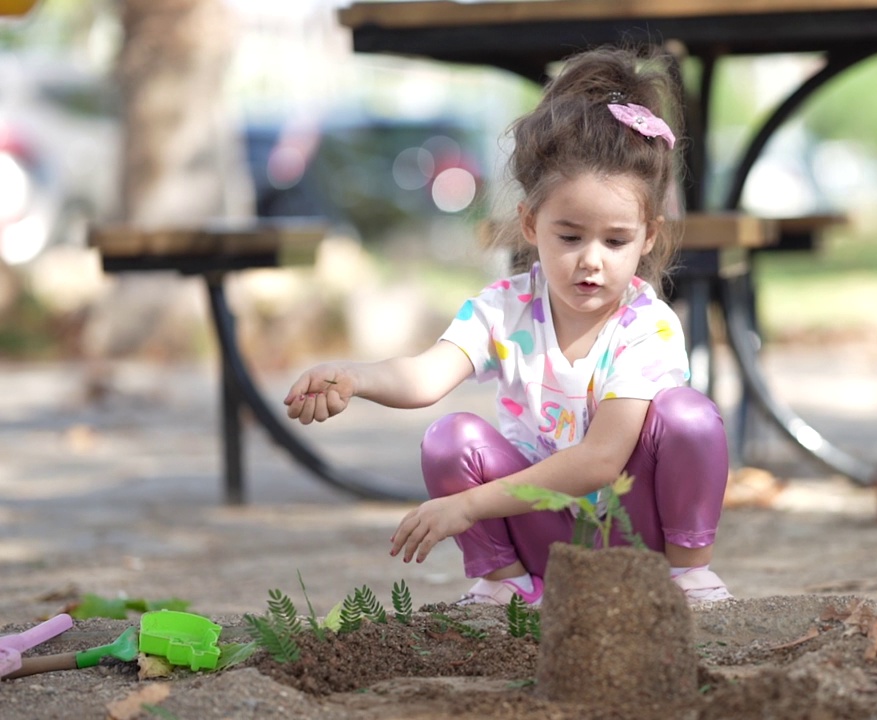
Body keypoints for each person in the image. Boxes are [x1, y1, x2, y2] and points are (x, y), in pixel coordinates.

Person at [283, 46, 731, 607]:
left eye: (615, 241)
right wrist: (355, 377)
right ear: (529, 224)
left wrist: (468, 505)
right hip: (539, 528)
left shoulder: (648, 326)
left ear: (648, 237)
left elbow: (600, 461)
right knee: (451, 439)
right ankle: (509, 586)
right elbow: (426, 377)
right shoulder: (503, 308)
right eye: (570, 236)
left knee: (688, 416)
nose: (591, 259)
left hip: (632, 534)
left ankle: (686, 577)